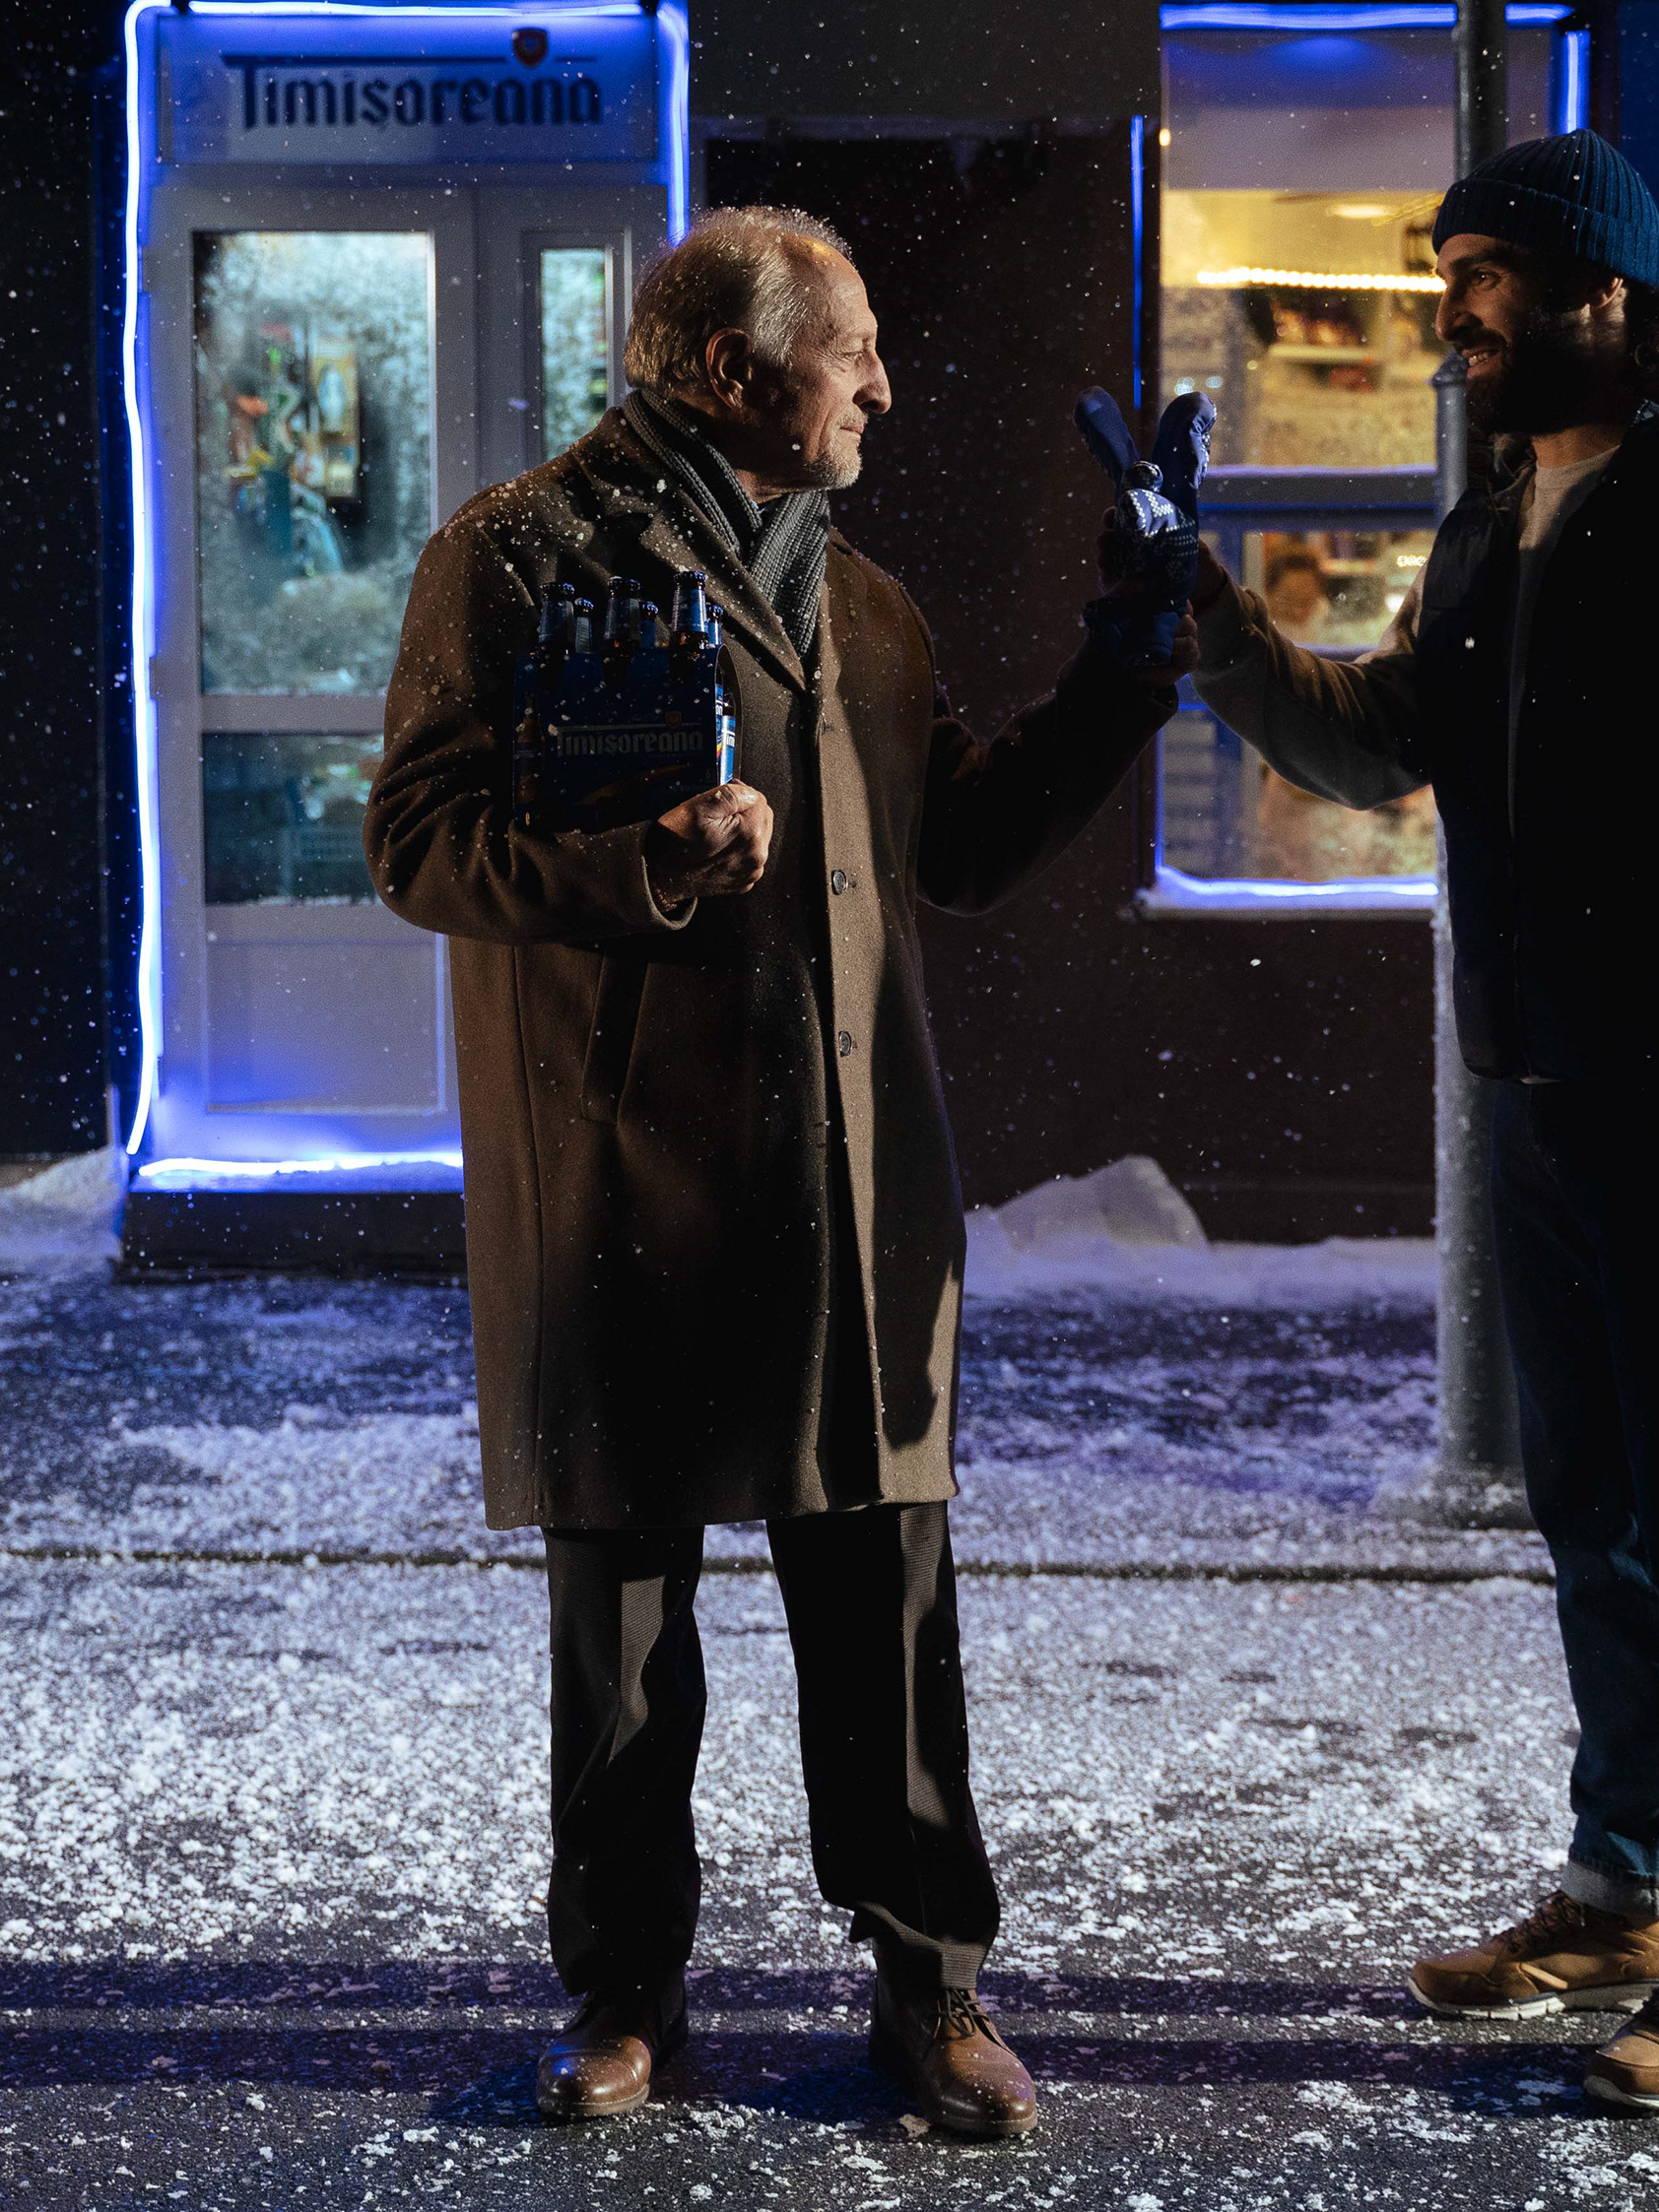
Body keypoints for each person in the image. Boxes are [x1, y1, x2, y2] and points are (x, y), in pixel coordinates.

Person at [363, 206, 1189, 2139]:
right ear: (736, 371)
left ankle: (930, 1988)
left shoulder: (862, 602)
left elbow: (960, 844)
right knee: (625, 1637)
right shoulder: (510, 558)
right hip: (618, 1180)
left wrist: (1126, 659)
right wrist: (642, 862)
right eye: (853, 350)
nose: (884, 386)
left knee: (887, 1613)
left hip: (848, 1182)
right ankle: (627, 2000)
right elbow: (417, 842)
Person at [1183, 132, 1659, 2116]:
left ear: (1606, 288)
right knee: (1594, 1511)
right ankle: (1620, 1893)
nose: (1453, 310)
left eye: (1484, 273)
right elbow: (1382, 742)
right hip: (1541, 1086)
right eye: (1445, 273)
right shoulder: (1502, 505)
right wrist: (1207, 618)